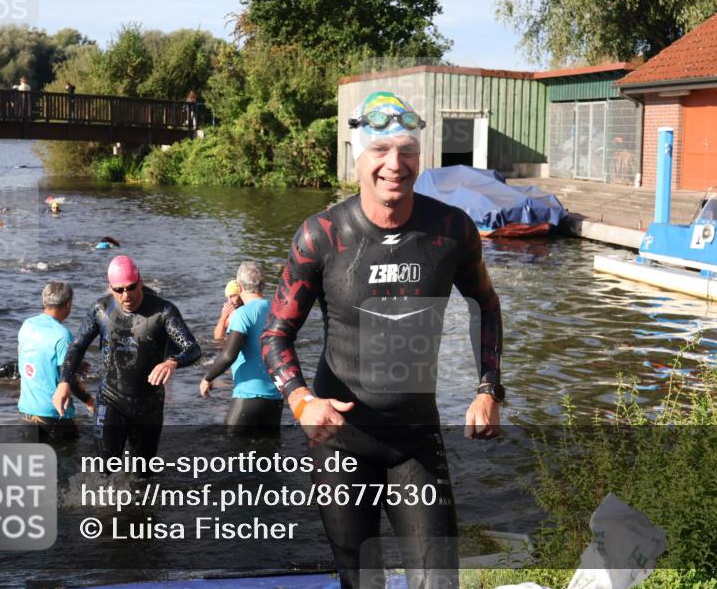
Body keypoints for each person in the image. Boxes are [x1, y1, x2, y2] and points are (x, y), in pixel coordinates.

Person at [261, 90, 504, 588]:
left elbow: (486, 304)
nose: (395, 164)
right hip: (340, 442)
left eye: (407, 150)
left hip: (415, 438)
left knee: (439, 582)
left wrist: (488, 389)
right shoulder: (321, 235)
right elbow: (276, 333)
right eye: (380, 150)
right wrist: (300, 399)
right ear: (358, 156)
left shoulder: (451, 229)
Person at [53, 256, 201, 463]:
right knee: (104, 468)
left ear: (140, 281)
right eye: (119, 290)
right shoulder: (101, 310)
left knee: (144, 474)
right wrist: (64, 382)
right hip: (111, 399)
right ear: (110, 287)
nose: (126, 295)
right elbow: (77, 346)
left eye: (131, 287)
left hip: (149, 404)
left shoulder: (163, 311)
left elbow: (193, 349)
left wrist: (172, 361)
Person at [201, 262, 282, 435]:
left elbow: (229, 354)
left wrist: (208, 378)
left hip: (248, 396)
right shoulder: (277, 311)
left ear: (238, 285)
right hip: (276, 398)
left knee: (233, 453)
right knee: (269, 455)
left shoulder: (242, 314)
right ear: (264, 284)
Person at [18, 282, 94, 440]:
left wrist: (74, 364)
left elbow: (29, 358)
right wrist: (89, 401)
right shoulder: (62, 335)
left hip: (26, 413)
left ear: (44, 301)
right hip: (54, 416)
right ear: (68, 304)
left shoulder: (27, 325)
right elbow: (69, 380)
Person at [212, 279, 243, 345]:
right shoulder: (231, 313)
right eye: (228, 297)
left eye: (233, 296)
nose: (230, 301)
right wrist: (223, 316)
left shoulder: (248, 308)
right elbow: (218, 338)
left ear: (241, 293)